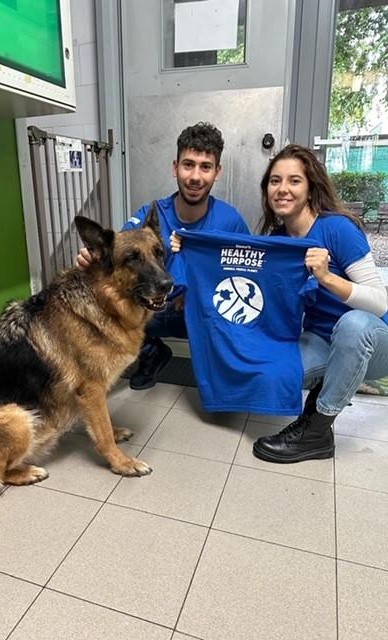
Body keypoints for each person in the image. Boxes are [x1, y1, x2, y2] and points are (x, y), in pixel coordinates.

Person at [76, 122, 249, 390]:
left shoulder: (231, 221)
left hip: (202, 312)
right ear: (175, 167)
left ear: (217, 172)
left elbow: (244, 279)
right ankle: (151, 353)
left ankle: (220, 373)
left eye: (205, 166)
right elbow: (119, 255)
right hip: (152, 309)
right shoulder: (151, 214)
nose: (195, 176)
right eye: (188, 164)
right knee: (107, 298)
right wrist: (92, 260)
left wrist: (198, 292)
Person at [249, 144, 388, 463]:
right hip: (321, 339)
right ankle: (330, 384)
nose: (282, 189)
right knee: (270, 374)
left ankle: (316, 432)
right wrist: (186, 244)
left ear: (311, 187)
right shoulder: (279, 241)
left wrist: (327, 278)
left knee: (353, 325)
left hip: (373, 339)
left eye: (294, 181)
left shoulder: (337, 228)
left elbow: (380, 302)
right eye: (274, 181)